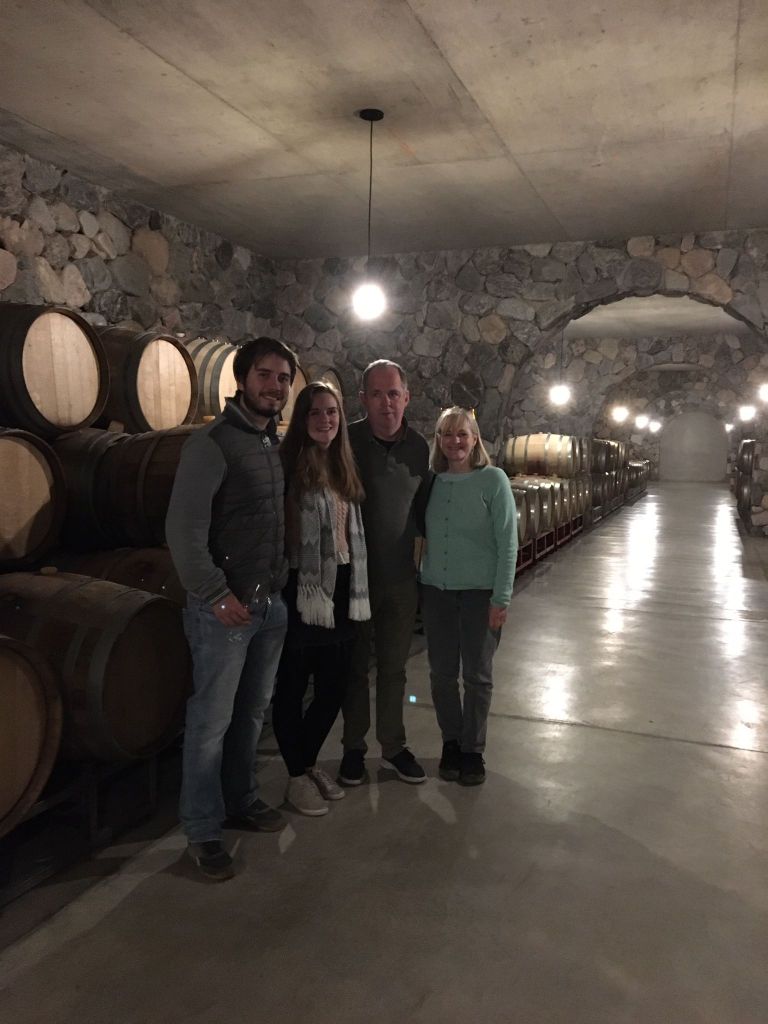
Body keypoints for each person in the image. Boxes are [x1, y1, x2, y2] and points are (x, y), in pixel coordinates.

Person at [166, 336, 297, 881]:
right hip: (224, 613)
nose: (276, 386)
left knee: (250, 715)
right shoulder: (211, 444)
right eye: (265, 375)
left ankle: (240, 799)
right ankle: (202, 828)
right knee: (210, 723)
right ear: (241, 380)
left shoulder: (269, 441)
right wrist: (216, 594)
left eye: (284, 378)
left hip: (267, 606)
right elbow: (183, 531)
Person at [272, 382, 370, 815]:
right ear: (301, 419)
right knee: (293, 687)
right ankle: (297, 776)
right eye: (315, 412)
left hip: (343, 586)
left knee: (333, 689)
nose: (325, 419)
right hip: (303, 587)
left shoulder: (342, 464)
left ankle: (305, 765)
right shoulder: (288, 466)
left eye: (331, 412)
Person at [339, 359, 431, 786]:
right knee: (355, 668)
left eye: (393, 393)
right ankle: (353, 749)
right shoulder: (345, 440)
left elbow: (425, 513)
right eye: (376, 394)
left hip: (400, 579)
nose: (386, 402)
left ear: (406, 397)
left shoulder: (419, 448)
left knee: (394, 668)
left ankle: (393, 746)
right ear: (363, 399)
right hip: (354, 578)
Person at [420, 407, 517, 786]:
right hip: (437, 593)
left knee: (477, 676)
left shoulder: (493, 480)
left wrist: (501, 597)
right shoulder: (432, 481)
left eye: (462, 434)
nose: (454, 441)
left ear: (475, 438)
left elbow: (508, 542)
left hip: (480, 594)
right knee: (442, 675)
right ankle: (451, 742)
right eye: (447, 434)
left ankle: (473, 750)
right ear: (438, 440)